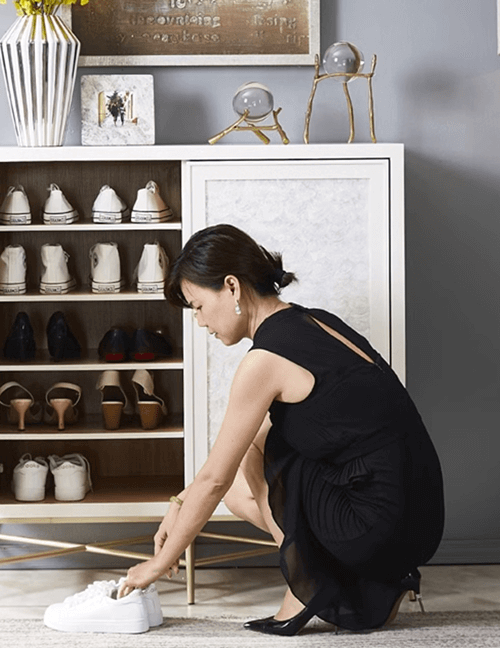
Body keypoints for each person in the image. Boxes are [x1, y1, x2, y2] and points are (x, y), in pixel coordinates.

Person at [118, 224, 444, 635]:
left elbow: (215, 476)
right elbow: (226, 473)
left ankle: (304, 589)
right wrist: (179, 501)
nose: (199, 322)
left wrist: (158, 565)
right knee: (243, 487)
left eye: (198, 306)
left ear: (232, 287)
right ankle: (369, 583)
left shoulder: (265, 360)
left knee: (258, 452)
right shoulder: (314, 322)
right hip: (419, 517)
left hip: (378, 519)